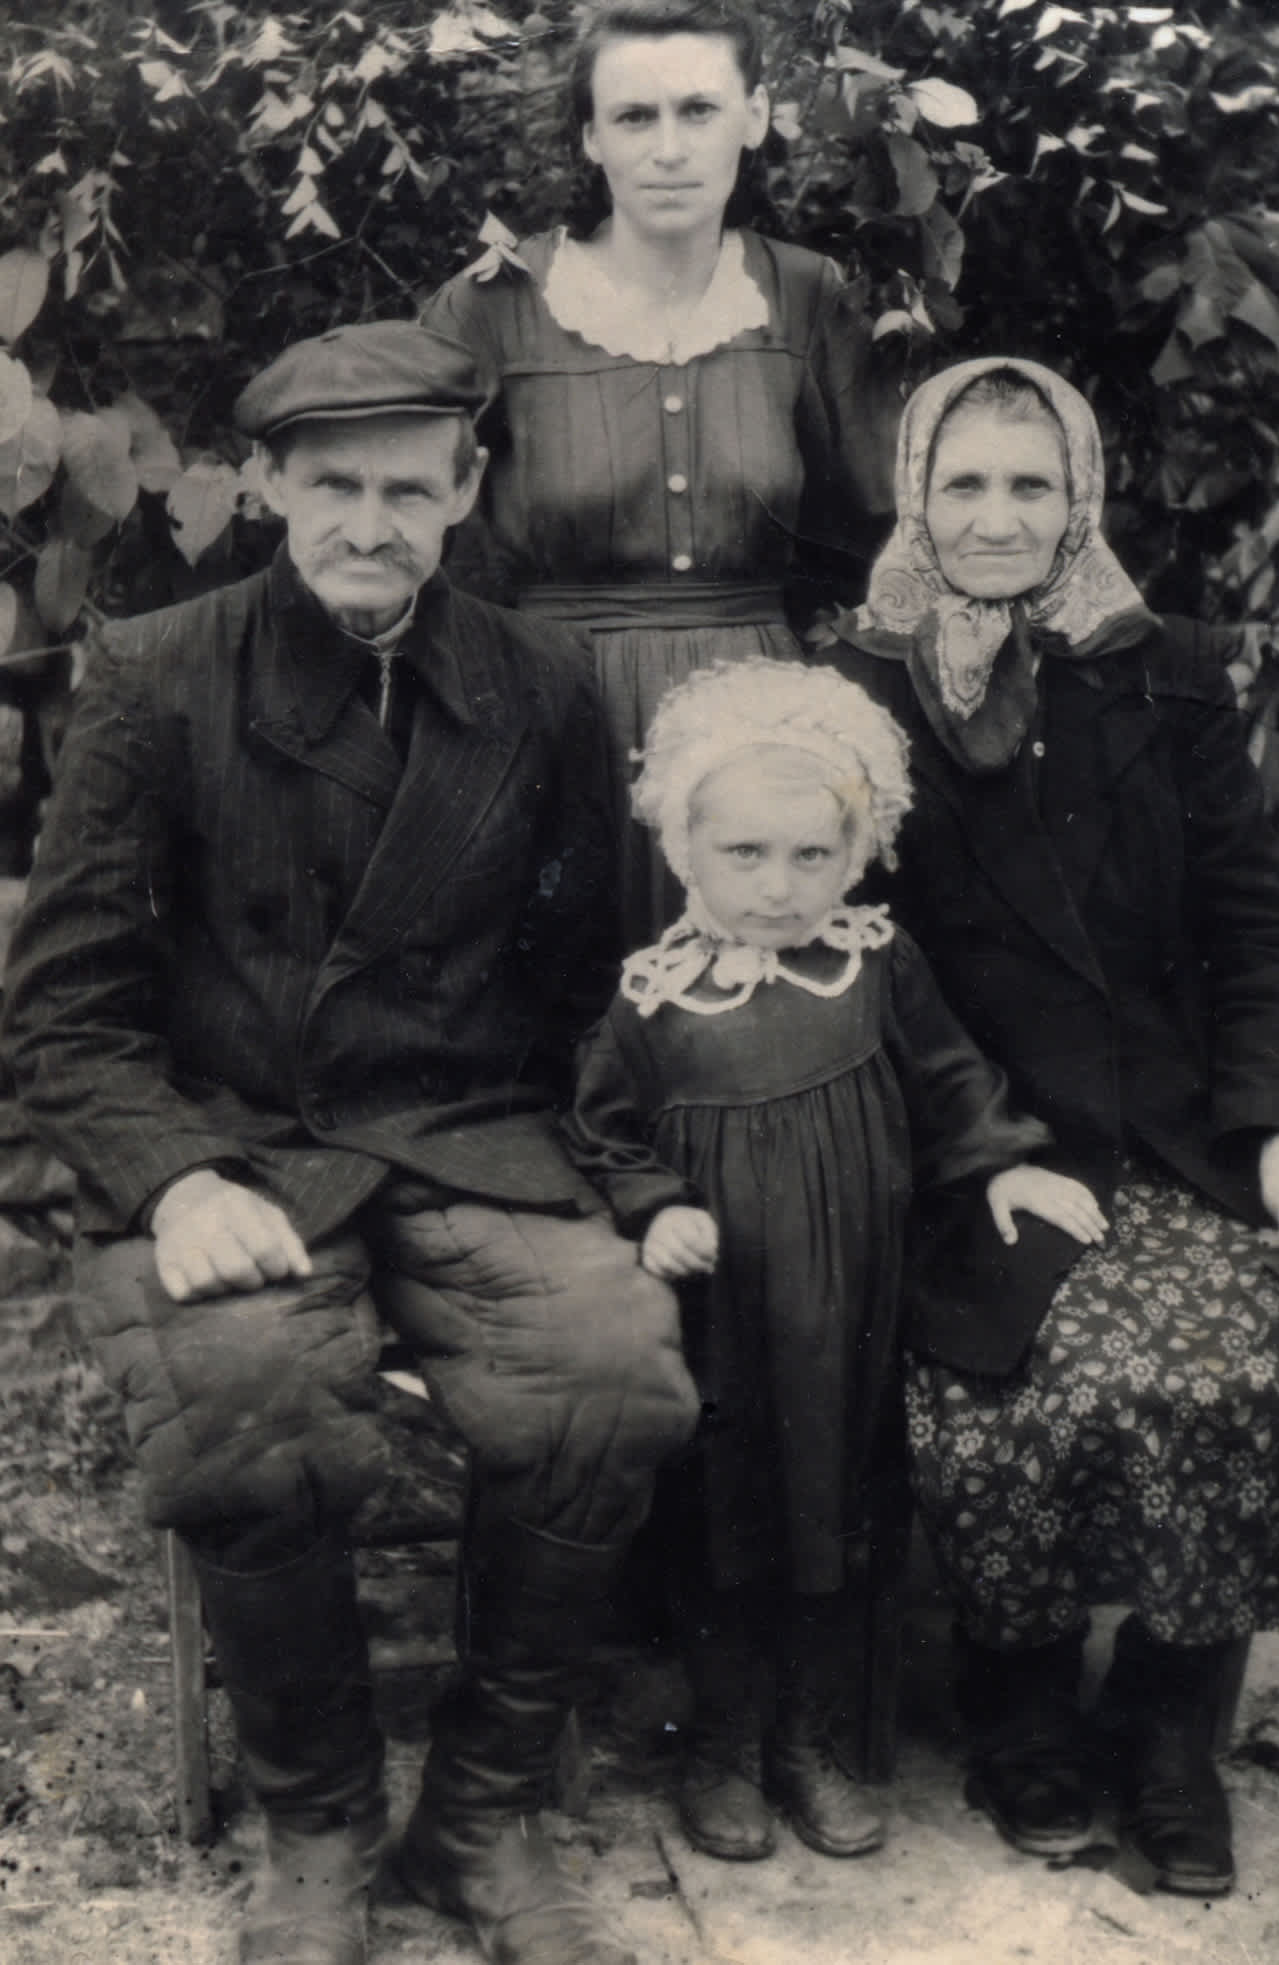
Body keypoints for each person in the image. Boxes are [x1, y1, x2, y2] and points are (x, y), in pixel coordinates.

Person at [1, 321, 701, 1965]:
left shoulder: (535, 686)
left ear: (464, 494)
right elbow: (64, 1010)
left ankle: (482, 1812)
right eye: (332, 488)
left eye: (407, 489)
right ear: (265, 485)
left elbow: (587, 978)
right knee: (245, 1387)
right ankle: (316, 1822)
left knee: (612, 1370)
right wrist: (168, 1181)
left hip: (471, 1136)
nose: (369, 526)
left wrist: (605, 1166)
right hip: (234, 1144)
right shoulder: (159, 675)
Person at [823, 355, 1279, 1897]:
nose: (994, 519)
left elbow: (1253, 931)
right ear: (912, 495)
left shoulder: (1170, 668)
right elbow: (852, 960)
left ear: (1078, 499)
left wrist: (1276, 1134)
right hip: (980, 1141)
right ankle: (1017, 1708)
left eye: (1028, 485)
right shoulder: (854, 686)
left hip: (1175, 1133)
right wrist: (977, 1155)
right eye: (962, 484)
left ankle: (1162, 1714)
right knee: (1048, 1376)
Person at [561, 657, 1100, 1865]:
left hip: (850, 1305)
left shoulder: (871, 965)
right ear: (683, 850)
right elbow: (596, 1126)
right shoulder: (652, 1001)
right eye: (743, 854)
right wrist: (651, 1205)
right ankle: (719, 1741)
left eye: (812, 856)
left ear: (856, 854)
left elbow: (954, 1081)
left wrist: (1000, 1160)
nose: (777, 886)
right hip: (724, 1319)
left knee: (836, 1512)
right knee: (724, 1518)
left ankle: (810, 1740)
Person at [422, 0, 897, 941]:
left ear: (754, 119)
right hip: (546, 720)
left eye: (698, 110)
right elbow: (429, 533)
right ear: (591, 137)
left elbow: (874, 526)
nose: (668, 147)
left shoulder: (808, 296)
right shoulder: (495, 304)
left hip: (762, 731)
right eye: (634, 117)